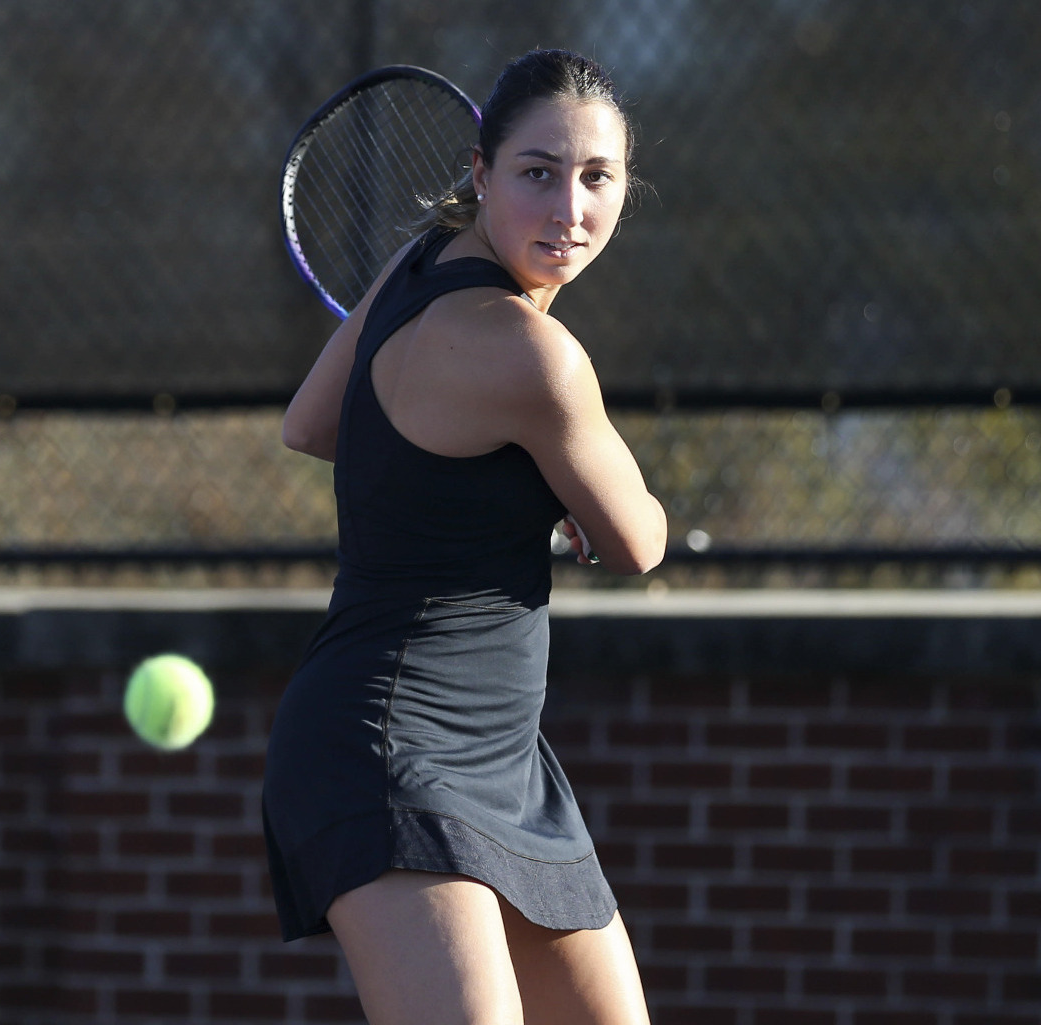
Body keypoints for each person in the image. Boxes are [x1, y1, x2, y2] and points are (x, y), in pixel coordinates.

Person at [266, 49, 666, 1025]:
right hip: (388, 750)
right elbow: (638, 540)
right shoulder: (537, 358)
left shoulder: (415, 263)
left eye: (596, 177)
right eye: (537, 172)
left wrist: (496, 468)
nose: (569, 207)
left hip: (500, 756)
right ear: (479, 174)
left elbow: (313, 423)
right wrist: (545, 459)